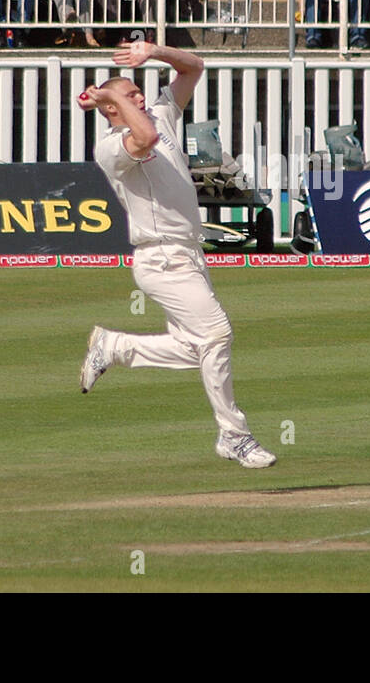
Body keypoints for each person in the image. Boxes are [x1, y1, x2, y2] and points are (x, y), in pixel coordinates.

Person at [77, 42, 278, 470]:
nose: (141, 98)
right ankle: (234, 435)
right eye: (131, 96)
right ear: (112, 110)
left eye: (138, 93)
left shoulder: (162, 117)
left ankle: (115, 347)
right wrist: (110, 95)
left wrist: (155, 50)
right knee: (218, 334)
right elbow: (143, 137)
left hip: (189, 253)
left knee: (197, 348)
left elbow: (194, 68)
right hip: (160, 258)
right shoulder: (111, 147)